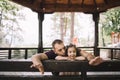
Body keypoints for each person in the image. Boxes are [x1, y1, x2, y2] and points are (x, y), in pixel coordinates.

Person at [31, 39, 103, 74]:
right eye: (60, 50)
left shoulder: (71, 50)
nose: (63, 51)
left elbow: (86, 54)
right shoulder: (52, 53)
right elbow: (35, 56)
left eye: (64, 48)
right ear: (54, 50)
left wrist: (91, 59)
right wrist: (38, 63)